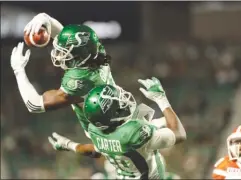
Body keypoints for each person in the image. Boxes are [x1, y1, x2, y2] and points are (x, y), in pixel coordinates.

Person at [48, 77, 187, 179]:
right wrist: (161, 99)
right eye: (118, 102)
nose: (123, 100)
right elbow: (179, 134)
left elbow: (95, 151)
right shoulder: (134, 132)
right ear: (113, 114)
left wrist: (68, 144)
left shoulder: (96, 131)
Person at [10, 13, 114, 133]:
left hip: (104, 137)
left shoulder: (80, 80)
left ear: (80, 57)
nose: (59, 54)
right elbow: (68, 40)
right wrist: (47, 19)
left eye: (66, 52)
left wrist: (19, 70)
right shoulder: (96, 51)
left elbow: (34, 105)